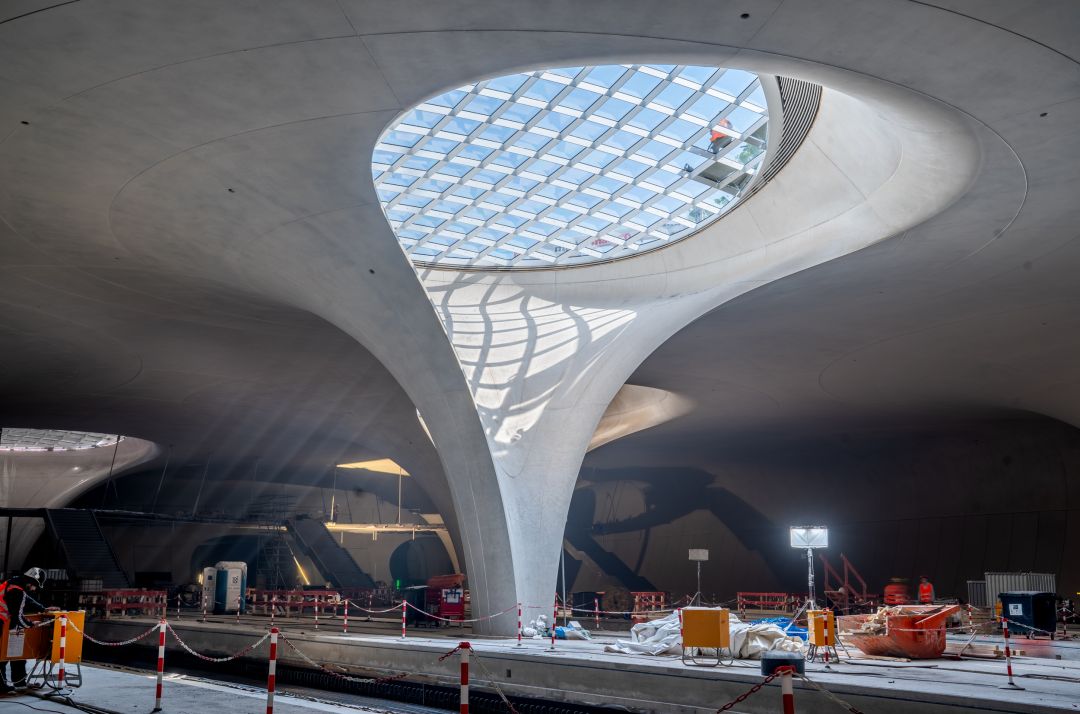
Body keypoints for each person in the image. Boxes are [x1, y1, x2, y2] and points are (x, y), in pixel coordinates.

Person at [0, 567, 46, 693]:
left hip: (5, 623)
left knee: (15, 653)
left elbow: (26, 599)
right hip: (1, 622)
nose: (34, 589)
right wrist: (31, 624)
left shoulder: (14, 583)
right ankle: (1, 686)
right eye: (35, 586)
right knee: (2, 655)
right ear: (30, 582)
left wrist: (43, 609)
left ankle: (19, 682)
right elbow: (18, 616)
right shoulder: (16, 591)